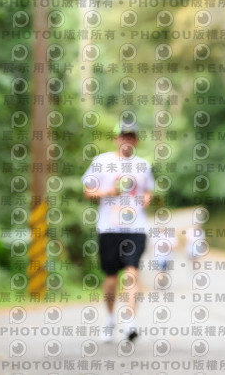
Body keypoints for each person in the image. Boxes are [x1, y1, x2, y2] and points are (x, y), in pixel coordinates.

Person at [82, 122, 155, 342]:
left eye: (131, 137)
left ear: (136, 140)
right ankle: (110, 318)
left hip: (135, 228)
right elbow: (88, 191)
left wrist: (145, 200)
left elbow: (148, 191)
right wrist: (108, 192)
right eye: (123, 136)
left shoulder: (142, 165)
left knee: (132, 272)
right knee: (111, 278)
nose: (127, 140)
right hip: (109, 227)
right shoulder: (102, 161)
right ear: (116, 139)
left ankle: (130, 322)